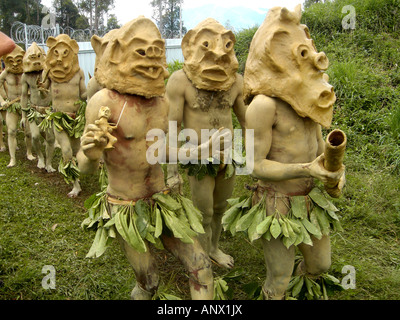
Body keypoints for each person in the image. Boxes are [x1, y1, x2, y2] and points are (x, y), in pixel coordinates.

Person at [77, 16, 229, 300]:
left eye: (157, 51)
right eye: (141, 51)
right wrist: (90, 153)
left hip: (163, 201)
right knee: (150, 280)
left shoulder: (161, 102)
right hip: (126, 206)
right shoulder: (104, 102)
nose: (152, 59)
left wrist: (198, 150)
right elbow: (85, 168)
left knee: (201, 266)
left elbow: (160, 150)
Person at [243, 5, 345, 299]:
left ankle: (303, 278)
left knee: (320, 265)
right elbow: (254, 166)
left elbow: (319, 148)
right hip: (278, 204)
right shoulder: (263, 106)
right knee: (279, 280)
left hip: (310, 200)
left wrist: (336, 173)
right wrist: (305, 170)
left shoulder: (308, 98)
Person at [166, 18, 247, 269]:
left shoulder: (236, 82)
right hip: (198, 157)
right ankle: (201, 253)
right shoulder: (180, 81)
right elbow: (172, 126)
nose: (217, 54)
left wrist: (253, 159)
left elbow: (247, 123)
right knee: (204, 211)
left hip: (228, 156)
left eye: (226, 46)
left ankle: (213, 248)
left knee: (221, 206)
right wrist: (172, 172)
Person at [39, 34, 87, 197]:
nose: (60, 57)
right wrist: (41, 89)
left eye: (65, 52)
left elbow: (83, 95)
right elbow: (43, 96)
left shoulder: (78, 72)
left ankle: (75, 174)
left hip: (75, 118)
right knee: (66, 150)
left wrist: (96, 88)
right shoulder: (50, 73)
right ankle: (75, 185)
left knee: (75, 151)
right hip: (58, 118)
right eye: (57, 52)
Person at [20, 42, 55, 172]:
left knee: (50, 138)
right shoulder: (26, 76)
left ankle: (49, 163)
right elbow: (24, 95)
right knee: (34, 136)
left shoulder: (49, 73)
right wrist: (23, 116)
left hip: (48, 111)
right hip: (33, 111)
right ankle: (40, 156)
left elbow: (53, 90)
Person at [0, 45, 35, 167]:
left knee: (28, 132)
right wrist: (2, 101)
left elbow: (34, 86)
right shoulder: (5, 74)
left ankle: (29, 152)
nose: (15, 64)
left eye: (18, 61)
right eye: (11, 61)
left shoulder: (27, 73)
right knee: (11, 132)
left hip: (25, 105)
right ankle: (12, 158)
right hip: (12, 106)